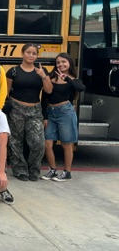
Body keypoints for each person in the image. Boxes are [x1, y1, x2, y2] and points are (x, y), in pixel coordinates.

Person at [6, 43, 53, 181]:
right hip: (16, 108)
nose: (31, 55)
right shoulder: (13, 71)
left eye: (34, 53)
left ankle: (33, 169)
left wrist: (43, 76)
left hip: (35, 110)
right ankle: (19, 170)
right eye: (28, 52)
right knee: (15, 141)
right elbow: (7, 92)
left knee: (38, 143)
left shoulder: (41, 70)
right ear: (22, 53)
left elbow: (49, 91)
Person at [41, 52, 85, 182]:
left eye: (64, 62)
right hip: (51, 112)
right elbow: (44, 98)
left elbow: (81, 88)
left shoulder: (73, 80)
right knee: (47, 143)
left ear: (69, 63)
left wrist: (67, 78)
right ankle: (52, 169)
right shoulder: (50, 77)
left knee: (67, 143)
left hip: (65, 111)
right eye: (58, 62)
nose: (61, 64)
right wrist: (45, 116)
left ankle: (67, 172)